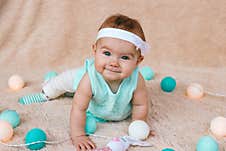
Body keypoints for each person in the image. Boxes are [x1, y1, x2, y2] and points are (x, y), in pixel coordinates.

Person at [19, 14, 150, 151]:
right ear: (95, 50)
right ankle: (46, 93)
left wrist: (139, 124)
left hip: (102, 99)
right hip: (83, 80)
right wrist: (78, 135)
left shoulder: (137, 79)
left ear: (138, 60)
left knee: (76, 92)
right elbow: (78, 108)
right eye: (106, 53)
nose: (113, 63)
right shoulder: (88, 79)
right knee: (61, 82)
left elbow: (140, 104)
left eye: (124, 57)